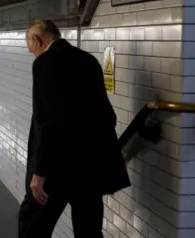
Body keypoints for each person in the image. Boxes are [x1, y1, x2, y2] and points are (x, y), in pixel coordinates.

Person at [18, 20, 131, 238]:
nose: (34, 55)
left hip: (57, 167)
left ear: (37, 40)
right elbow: (107, 115)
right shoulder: (88, 60)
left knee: (32, 225)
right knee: (88, 230)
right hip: (91, 165)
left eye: (33, 50)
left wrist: (39, 172)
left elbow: (47, 120)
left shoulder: (45, 62)